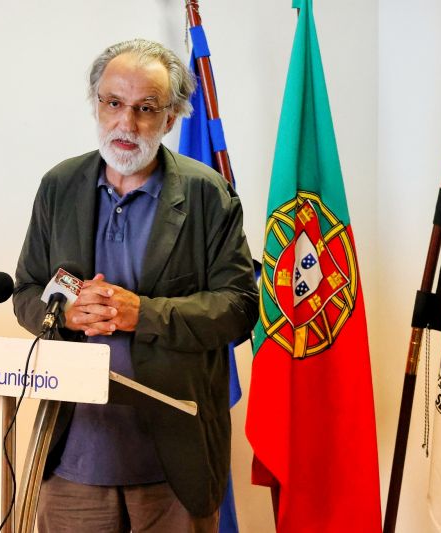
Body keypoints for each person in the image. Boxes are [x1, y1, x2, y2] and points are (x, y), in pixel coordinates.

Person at [13, 38, 258, 532]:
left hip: (174, 464)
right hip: (73, 458)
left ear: (170, 119)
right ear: (96, 104)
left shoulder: (207, 194)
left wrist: (141, 314)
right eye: (113, 103)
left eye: (146, 108)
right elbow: (26, 292)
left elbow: (238, 308)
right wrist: (64, 313)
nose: (126, 123)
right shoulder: (60, 185)